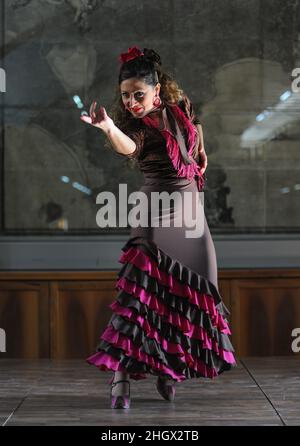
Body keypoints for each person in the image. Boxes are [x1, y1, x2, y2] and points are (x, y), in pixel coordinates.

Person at [81, 46, 237, 409]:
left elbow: (195, 129)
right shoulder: (136, 127)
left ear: (157, 91)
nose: (132, 102)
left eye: (139, 94)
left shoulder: (180, 112)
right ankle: (121, 378)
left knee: (194, 294)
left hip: (192, 222)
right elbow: (126, 146)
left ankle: (168, 368)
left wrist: (201, 149)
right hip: (156, 217)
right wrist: (107, 127)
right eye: (125, 96)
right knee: (139, 300)